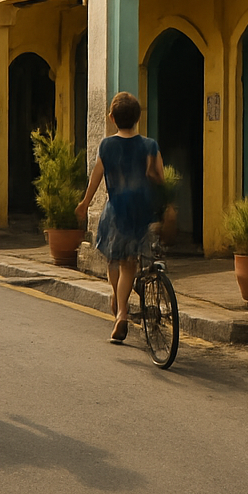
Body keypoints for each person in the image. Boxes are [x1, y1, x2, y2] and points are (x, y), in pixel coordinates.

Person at [76, 92, 164, 343]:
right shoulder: (150, 145)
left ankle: (120, 309)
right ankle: (120, 303)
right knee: (129, 264)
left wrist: (84, 203)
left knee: (114, 262)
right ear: (138, 118)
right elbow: (161, 180)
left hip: (115, 212)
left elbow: (96, 178)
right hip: (141, 213)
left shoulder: (106, 145)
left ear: (112, 118)